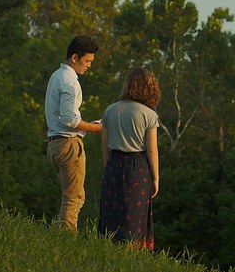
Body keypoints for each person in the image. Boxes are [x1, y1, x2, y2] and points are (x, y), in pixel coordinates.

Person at [44, 35, 103, 231]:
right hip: (68, 144)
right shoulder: (70, 82)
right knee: (74, 198)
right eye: (87, 61)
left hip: (54, 143)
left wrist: (87, 124)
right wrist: (97, 128)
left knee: (69, 197)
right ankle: (66, 240)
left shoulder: (56, 76)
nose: (89, 66)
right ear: (75, 57)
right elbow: (70, 119)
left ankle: (62, 237)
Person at [98, 67, 161, 250]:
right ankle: (131, 254)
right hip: (137, 167)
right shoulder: (149, 115)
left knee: (111, 213)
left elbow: (104, 146)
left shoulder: (110, 110)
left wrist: (109, 167)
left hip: (113, 164)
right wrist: (155, 178)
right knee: (133, 215)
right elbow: (151, 150)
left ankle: (108, 250)